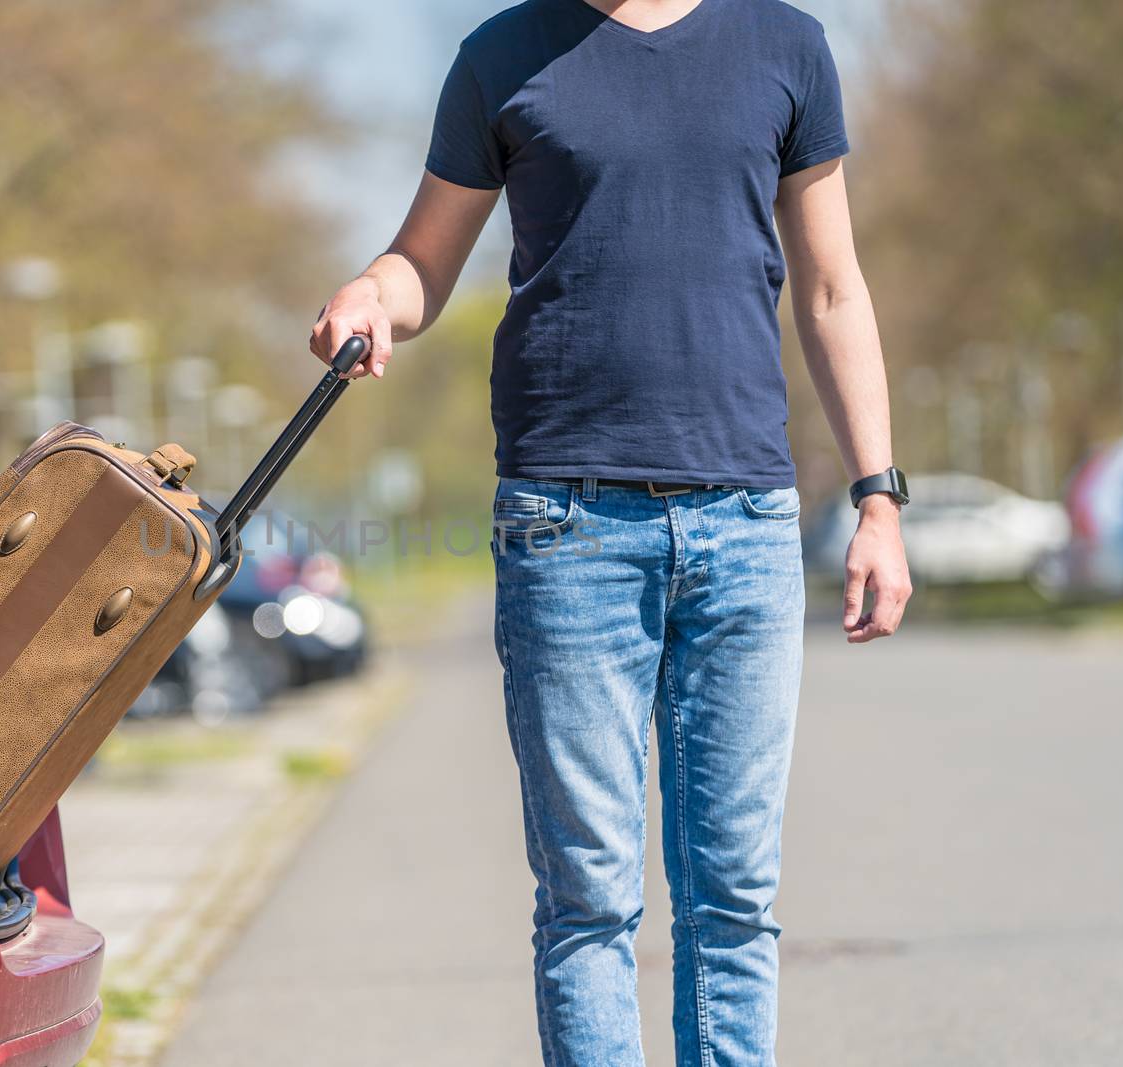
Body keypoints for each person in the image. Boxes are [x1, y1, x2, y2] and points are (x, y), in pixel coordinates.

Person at [309, 0, 912, 1064]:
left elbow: (829, 289)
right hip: (566, 522)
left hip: (748, 520)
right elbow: (422, 261)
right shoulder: (501, 57)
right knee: (587, 896)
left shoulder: (785, 46)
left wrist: (876, 496)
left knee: (733, 894)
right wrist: (370, 292)